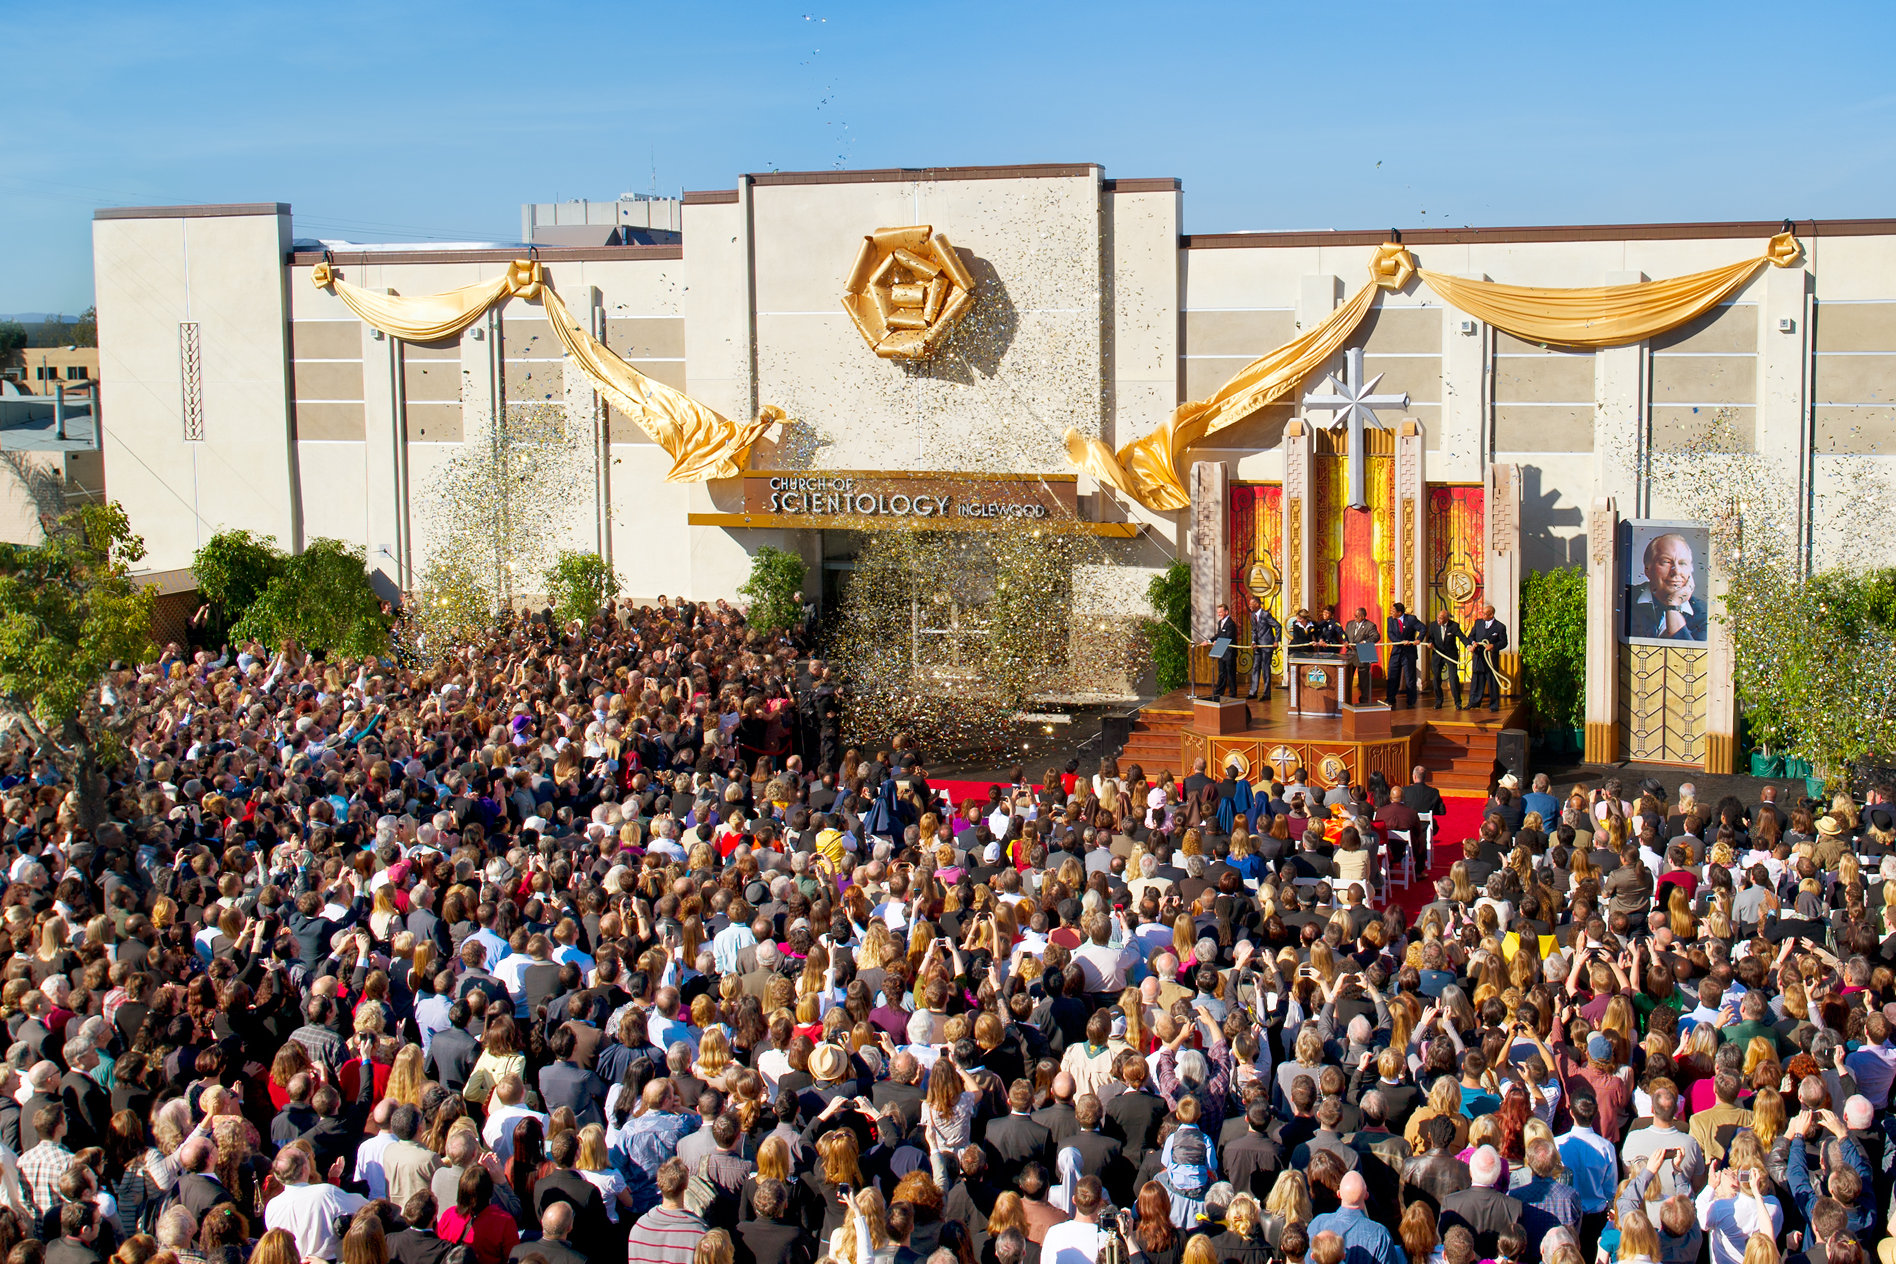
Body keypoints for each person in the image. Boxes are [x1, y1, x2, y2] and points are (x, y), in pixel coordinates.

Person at [1625, 533, 1707, 641]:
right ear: (1647, 569)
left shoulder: (1705, 613)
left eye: (1682, 563)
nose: (1676, 571)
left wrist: (1673, 606)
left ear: (1690, 570)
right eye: (1666, 562)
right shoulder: (1623, 598)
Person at [1467, 605, 1508, 713]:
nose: (1483, 615)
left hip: (1490, 659)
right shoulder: (1478, 623)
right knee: (1477, 680)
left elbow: (1504, 642)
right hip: (1478, 657)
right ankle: (1474, 702)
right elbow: (1471, 636)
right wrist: (1473, 643)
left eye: (1485, 614)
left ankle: (1494, 705)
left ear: (1491, 614)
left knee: (1492, 681)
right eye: (1482, 613)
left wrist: (1493, 646)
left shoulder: (1500, 627)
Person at [1425, 609, 1467, 709]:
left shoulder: (1454, 626)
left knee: (1453, 678)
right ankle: (1438, 701)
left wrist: (1468, 645)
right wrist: (1430, 643)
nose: (1438, 620)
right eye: (1438, 618)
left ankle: (1458, 702)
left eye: (1441, 619)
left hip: (1450, 654)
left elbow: (1461, 637)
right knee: (1436, 678)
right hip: (1437, 654)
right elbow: (1430, 637)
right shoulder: (1433, 625)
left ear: (1447, 619)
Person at [1384, 603, 1422, 708]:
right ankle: (1390, 698)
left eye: (1393, 611)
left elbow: (1423, 628)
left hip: (1409, 652)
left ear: (1399, 613)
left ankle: (1411, 700)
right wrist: (1400, 642)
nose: (1391, 612)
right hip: (1396, 651)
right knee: (1392, 674)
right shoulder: (1390, 620)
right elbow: (1390, 633)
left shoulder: (1411, 619)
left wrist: (1418, 639)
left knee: (1409, 677)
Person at [1342, 608, 1379, 707]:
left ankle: (1364, 701)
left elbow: (1376, 636)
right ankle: (1346, 699)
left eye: (1357, 616)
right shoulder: (1349, 624)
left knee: (1363, 680)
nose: (1354, 618)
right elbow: (1345, 635)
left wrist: (1365, 642)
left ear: (1363, 616)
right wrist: (1345, 641)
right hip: (1350, 654)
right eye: (1354, 615)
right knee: (1347, 678)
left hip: (1363, 652)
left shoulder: (1370, 625)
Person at [1248, 603, 1282, 701]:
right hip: (1257, 646)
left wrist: (1276, 640)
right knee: (1255, 667)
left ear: (1257, 604)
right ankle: (1253, 692)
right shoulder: (1252, 615)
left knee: (1265, 668)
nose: (1249, 606)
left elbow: (1278, 626)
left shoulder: (1266, 614)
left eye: (1251, 604)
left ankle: (1267, 694)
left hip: (1267, 645)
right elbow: (1254, 630)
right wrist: (1253, 641)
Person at [1207, 604, 1241, 700]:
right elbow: (1219, 634)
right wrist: (1209, 640)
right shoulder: (1220, 623)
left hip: (1229, 652)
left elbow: (1228, 637)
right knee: (1221, 672)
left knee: (1231, 673)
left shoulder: (1231, 624)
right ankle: (1219, 691)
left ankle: (1233, 693)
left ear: (1226, 612)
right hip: (1221, 650)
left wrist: (1217, 641)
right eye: (1218, 612)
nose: (1219, 614)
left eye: (1220, 612)